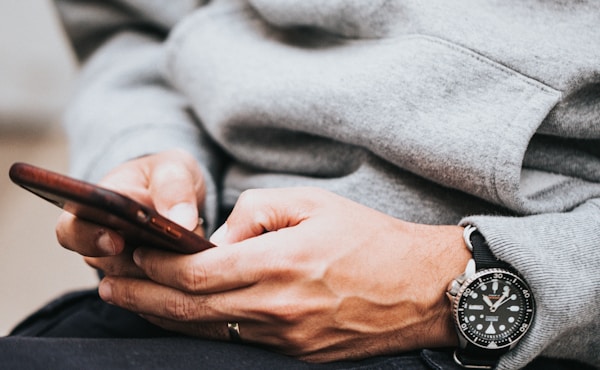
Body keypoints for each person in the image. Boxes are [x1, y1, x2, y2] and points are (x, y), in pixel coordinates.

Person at [2, 1, 599, 369]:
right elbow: (136, 27)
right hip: (218, 261)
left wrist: (457, 285)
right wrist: (149, 147)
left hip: (521, 331)